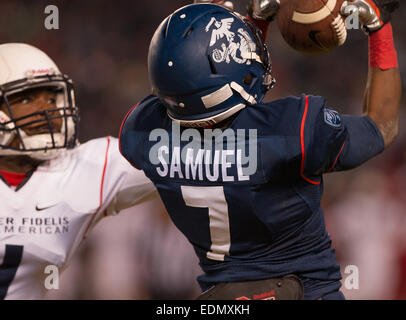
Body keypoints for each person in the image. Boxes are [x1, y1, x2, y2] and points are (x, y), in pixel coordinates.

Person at [119, 0, 401, 300]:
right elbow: (380, 127)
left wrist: (254, 24)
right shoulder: (293, 129)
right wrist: (378, 28)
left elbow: (204, 98)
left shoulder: (143, 132)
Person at [0, 43, 158, 299]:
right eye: (27, 98)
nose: (47, 110)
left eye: (52, 98)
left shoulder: (80, 169)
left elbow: (185, 156)